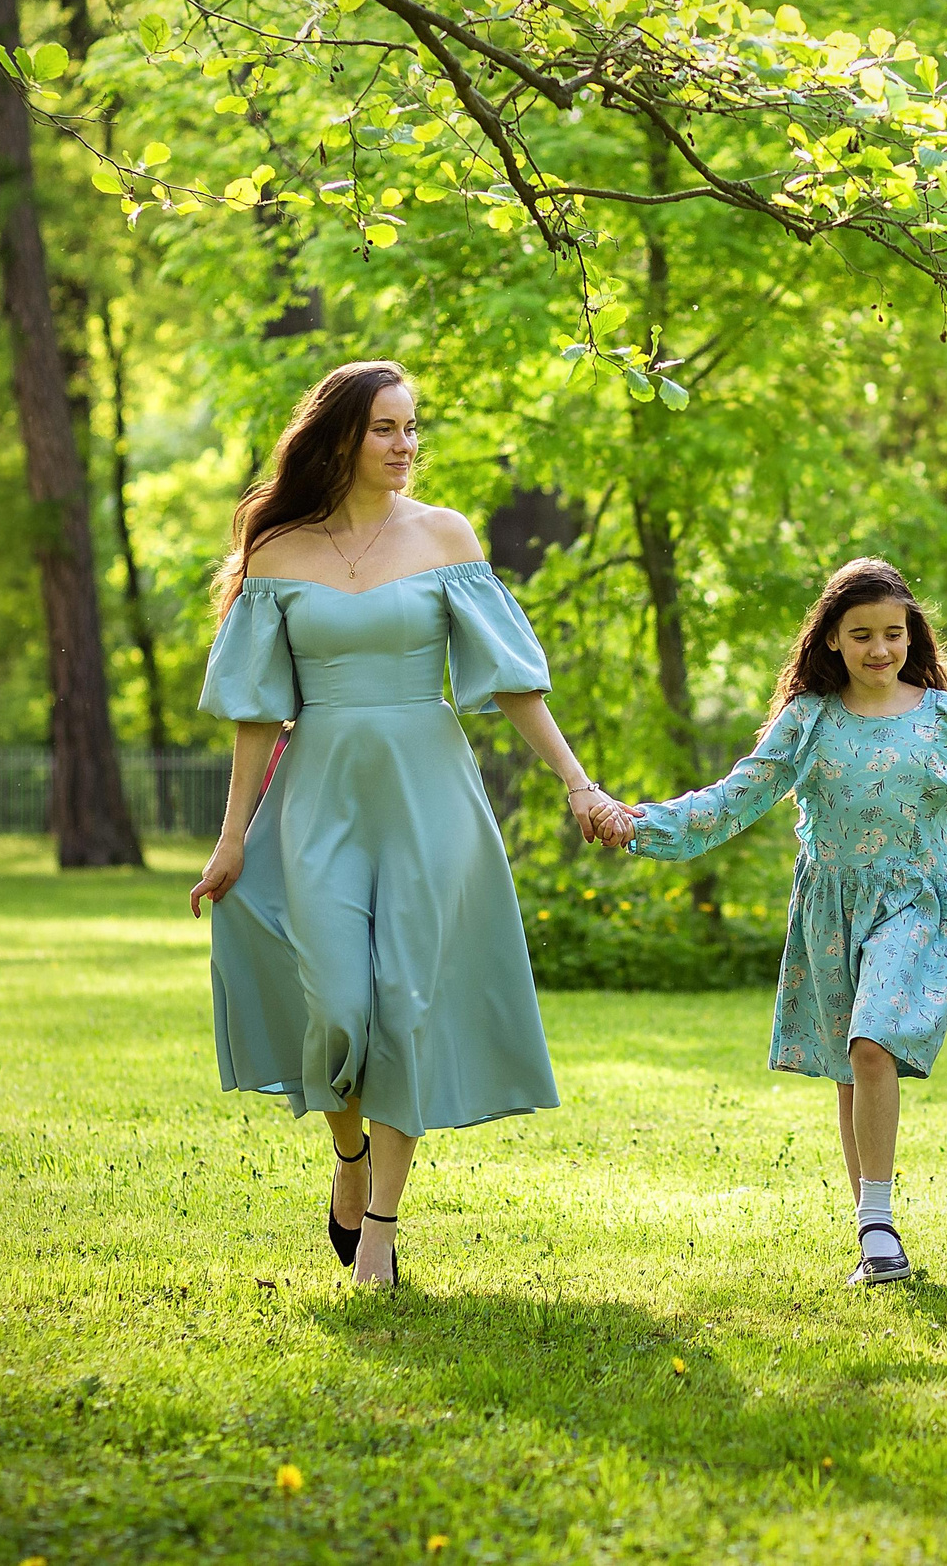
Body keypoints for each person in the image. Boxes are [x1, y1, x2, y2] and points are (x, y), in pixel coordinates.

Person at [187, 360, 632, 1290]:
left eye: (412, 428)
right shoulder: (279, 552)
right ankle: (348, 1158)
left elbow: (511, 681)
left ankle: (381, 1231)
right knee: (337, 1005)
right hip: (317, 798)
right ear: (341, 437)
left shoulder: (443, 535)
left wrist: (579, 784)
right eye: (387, 428)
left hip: (430, 798)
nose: (405, 447)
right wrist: (232, 840)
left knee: (406, 1007)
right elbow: (256, 716)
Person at [620, 557, 947, 1286]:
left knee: (872, 1044)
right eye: (862, 634)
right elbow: (733, 798)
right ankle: (873, 1231)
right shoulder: (807, 719)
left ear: (913, 635)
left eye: (893, 633)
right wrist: (637, 826)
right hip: (830, 910)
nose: (880, 649)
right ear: (832, 639)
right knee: (852, 1066)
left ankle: (879, 1225)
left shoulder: (944, 720)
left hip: (912, 907)